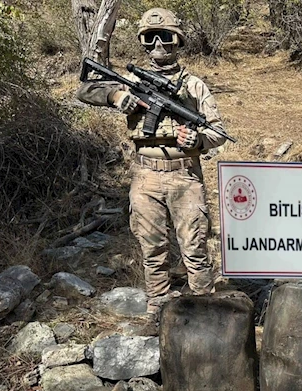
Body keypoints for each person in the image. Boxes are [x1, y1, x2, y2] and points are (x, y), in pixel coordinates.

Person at [77, 8, 227, 314]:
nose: (158, 43)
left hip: (185, 174)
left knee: (195, 248)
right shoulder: (130, 81)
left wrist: (197, 140)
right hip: (145, 175)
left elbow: (219, 131)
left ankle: (203, 311)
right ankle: (158, 308)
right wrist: (116, 98)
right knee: (152, 248)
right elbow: (86, 88)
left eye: (166, 36)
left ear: (178, 41)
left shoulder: (193, 85)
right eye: (150, 37)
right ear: (143, 42)